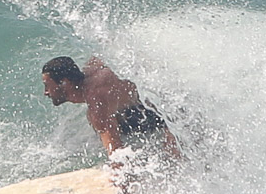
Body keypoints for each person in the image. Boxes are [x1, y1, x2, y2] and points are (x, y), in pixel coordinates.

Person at [41, 55, 182, 162]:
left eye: (48, 86)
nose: (45, 92)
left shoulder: (96, 102)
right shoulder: (92, 69)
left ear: (65, 83)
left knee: (173, 159)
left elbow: (117, 153)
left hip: (167, 109)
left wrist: (122, 193)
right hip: (139, 106)